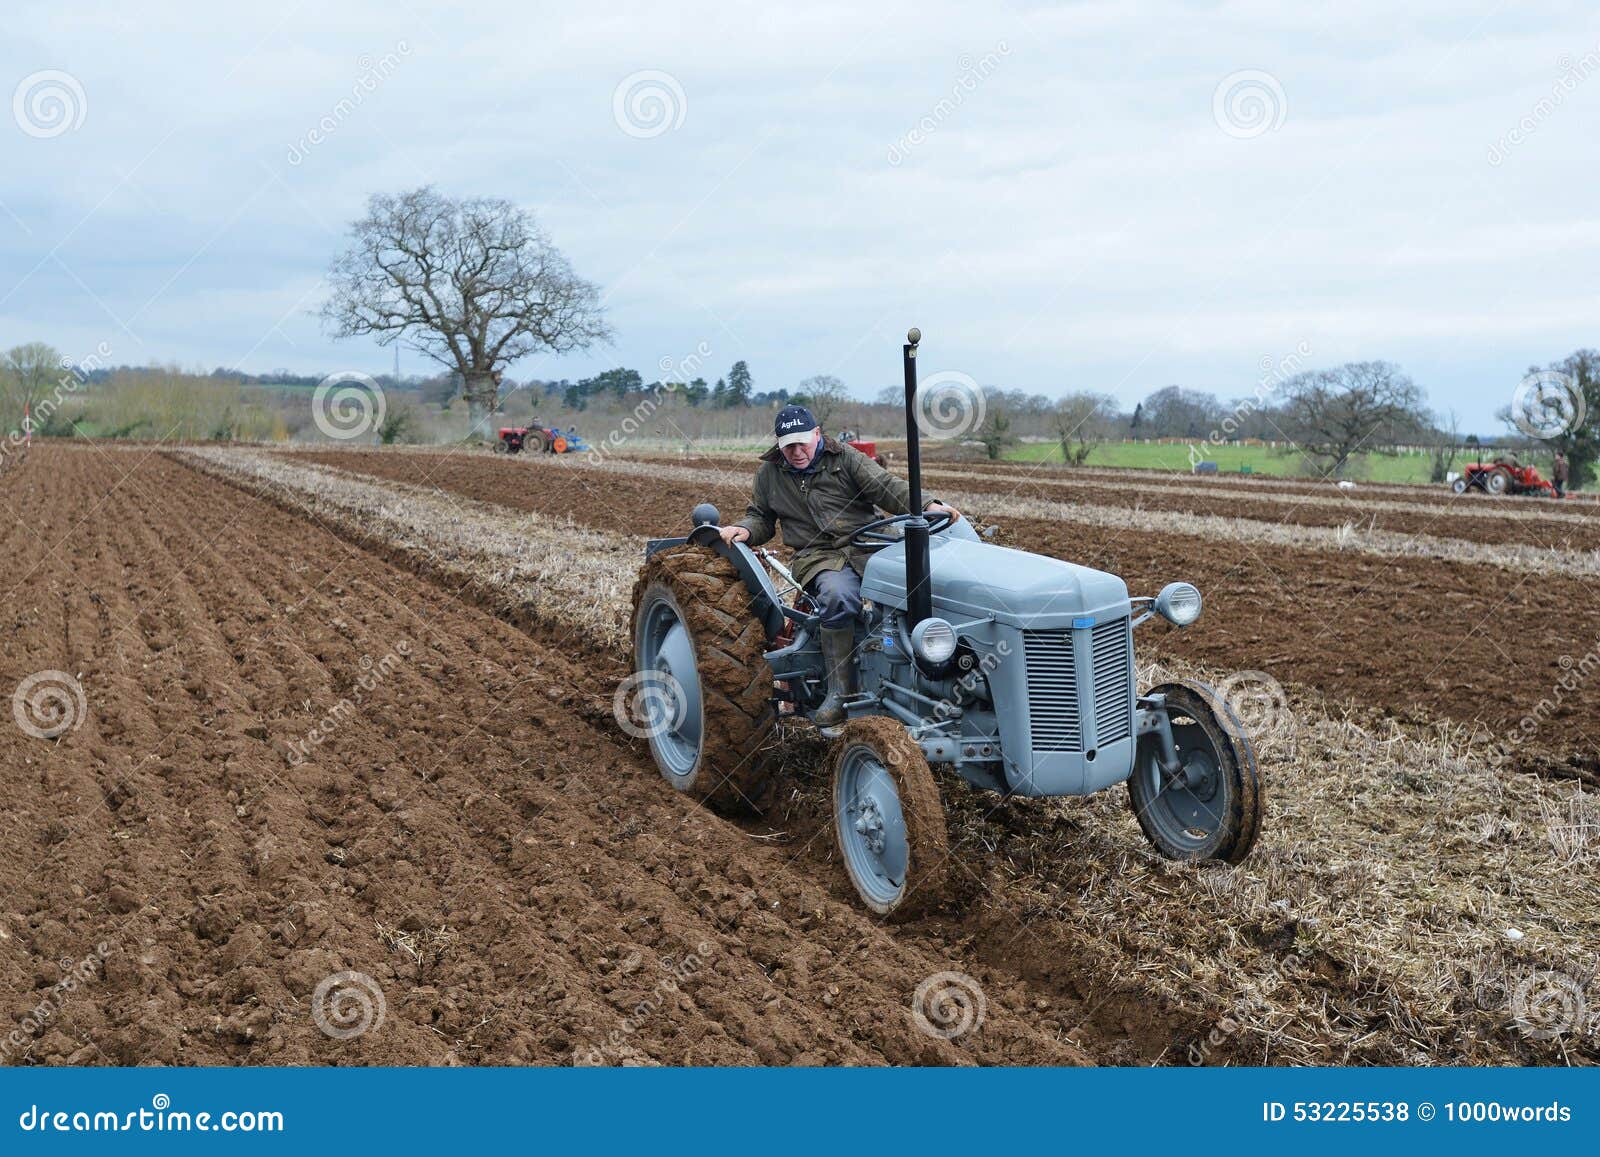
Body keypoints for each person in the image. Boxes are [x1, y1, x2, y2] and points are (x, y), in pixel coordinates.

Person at [719, 405, 961, 724]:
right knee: (838, 596)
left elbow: (885, 487)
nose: (797, 451)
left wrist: (927, 504)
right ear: (779, 445)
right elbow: (762, 517)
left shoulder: (844, 458)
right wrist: (747, 529)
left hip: (867, 543)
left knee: (920, 583)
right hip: (816, 554)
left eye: (802, 442)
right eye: (788, 445)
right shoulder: (770, 473)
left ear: (817, 435)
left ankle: (932, 665)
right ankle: (840, 693)